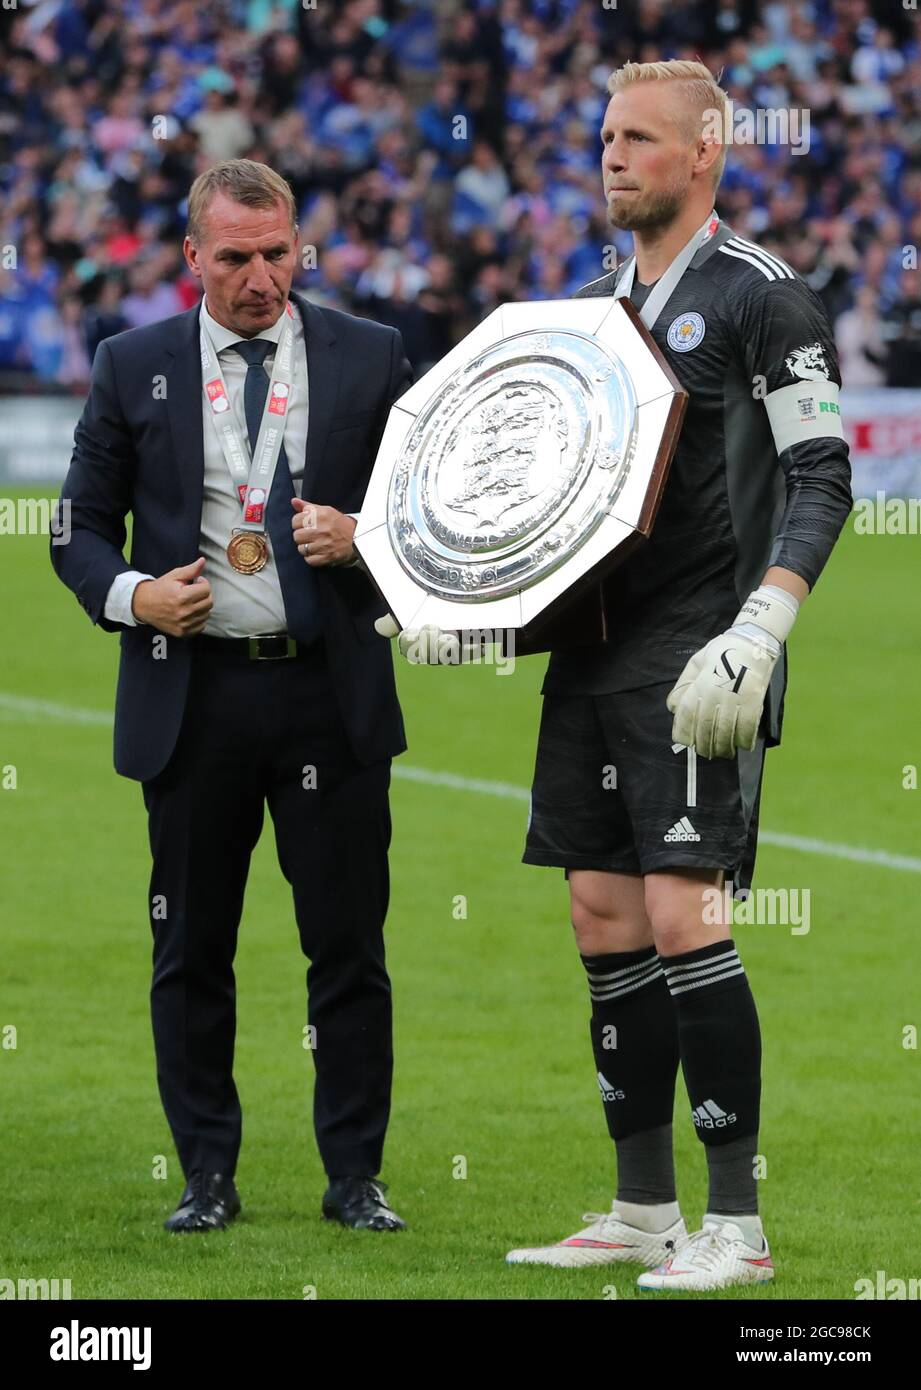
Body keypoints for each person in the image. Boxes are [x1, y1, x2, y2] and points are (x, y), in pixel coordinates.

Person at [381, 61, 852, 1291]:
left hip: (703, 655)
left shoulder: (765, 298)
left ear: (707, 151)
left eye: (639, 138)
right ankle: (644, 1208)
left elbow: (822, 476)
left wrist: (762, 627)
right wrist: (476, 617)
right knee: (601, 915)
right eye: (605, 136)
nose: (612, 156)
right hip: (590, 658)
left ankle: (737, 1229)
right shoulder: (591, 308)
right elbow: (557, 505)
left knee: (688, 912)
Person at [51, 159, 413, 1235]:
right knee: (192, 947)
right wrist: (133, 595)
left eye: (278, 254)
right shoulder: (133, 364)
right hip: (194, 700)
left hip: (327, 694)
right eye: (237, 257)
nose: (262, 277)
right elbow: (74, 526)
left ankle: (356, 1177)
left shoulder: (370, 352)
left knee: (348, 951)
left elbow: (431, 510)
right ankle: (206, 1171)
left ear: (300, 246)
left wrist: (365, 537)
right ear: (192, 257)